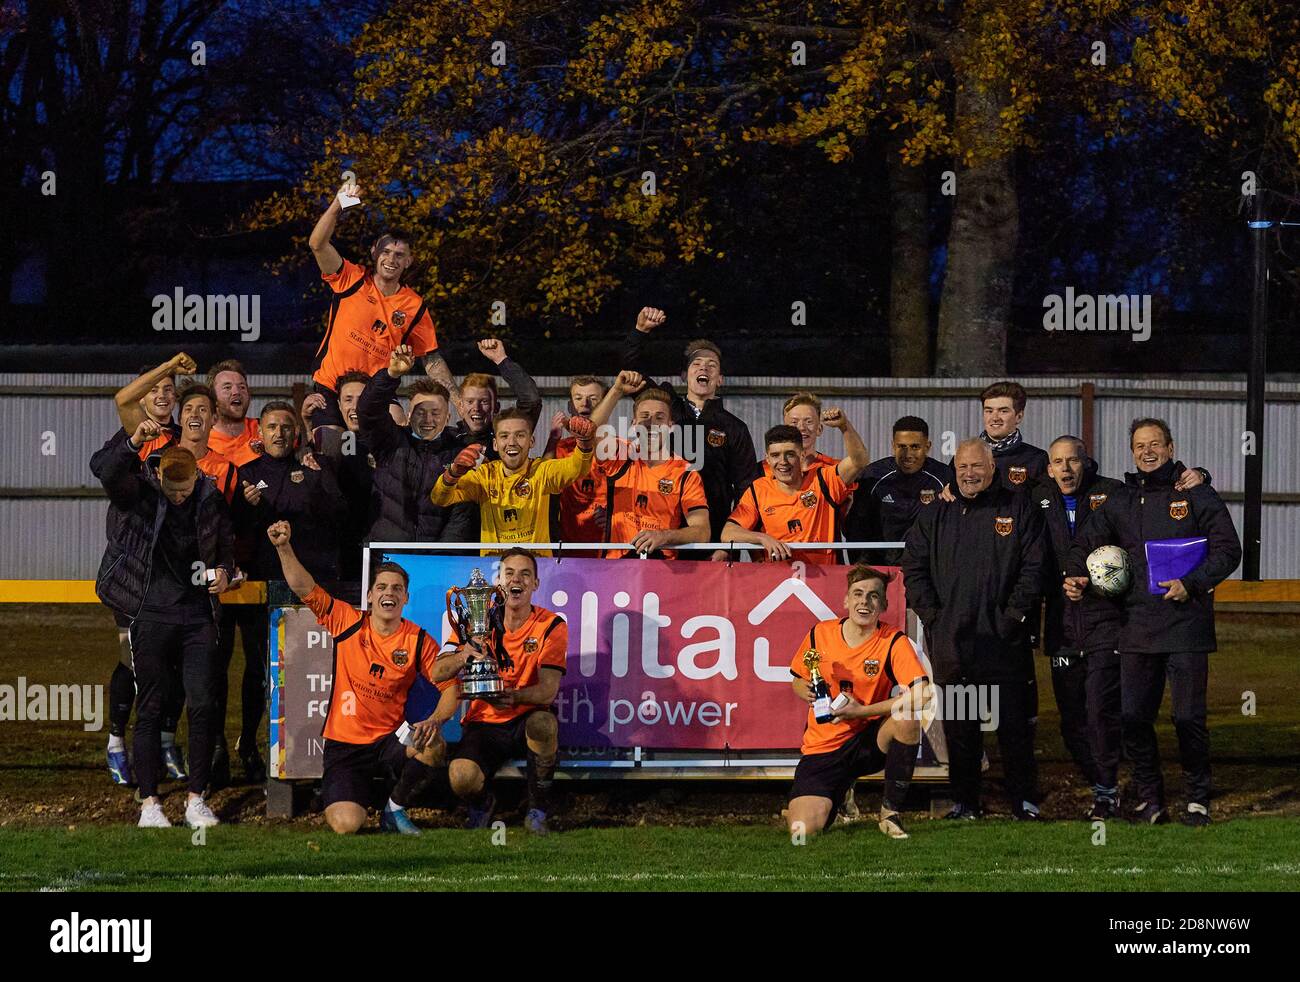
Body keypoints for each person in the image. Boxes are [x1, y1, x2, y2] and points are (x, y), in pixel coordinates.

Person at [1065, 418, 1242, 826]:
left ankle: (1197, 797)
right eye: (1140, 445)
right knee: (1132, 718)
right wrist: (1074, 575)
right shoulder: (1121, 500)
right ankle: (1151, 798)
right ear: (1132, 452)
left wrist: (1192, 584)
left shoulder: (1196, 493)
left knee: (1187, 718)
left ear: (1170, 447)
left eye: (1155, 444)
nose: (1148, 452)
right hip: (1136, 627)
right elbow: (1084, 543)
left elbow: (1228, 549)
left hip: (1186, 626)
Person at [268, 520, 463, 834]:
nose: (390, 593)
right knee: (346, 825)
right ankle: (357, 797)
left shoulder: (418, 640)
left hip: (391, 739)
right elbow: (304, 587)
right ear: (370, 596)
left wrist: (435, 721)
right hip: (345, 746)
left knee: (434, 745)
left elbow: (450, 688)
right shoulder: (347, 621)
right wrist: (283, 546)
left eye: (397, 588)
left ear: (406, 598)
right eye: (382, 587)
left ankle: (393, 808)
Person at [92, 423, 234, 829]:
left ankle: (196, 798)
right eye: (172, 489)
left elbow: (224, 549)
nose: (179, 495)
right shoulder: (140, 495)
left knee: (203, 703)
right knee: (150, 705)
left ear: (197, 476)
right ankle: (150, 802)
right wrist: (133, 438)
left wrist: (223, 573)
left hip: (197, 616)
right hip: (149, 613)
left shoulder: (210, 497)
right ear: (158, 475)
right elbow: (106, 471)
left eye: (185, 487)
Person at [901, 438, 1046, 820]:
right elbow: (913, 567)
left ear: (992, 468)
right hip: (955, 643)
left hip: (1003, 643)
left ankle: (1024, 801)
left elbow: (1034, 569)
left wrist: (1012, 617)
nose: (969, 474)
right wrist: (934, 617)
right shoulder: (937, 514)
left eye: (976, 467)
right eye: (962, 467)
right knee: (962, 729)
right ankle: (966, 802)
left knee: (1013, 727)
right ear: (955, 469)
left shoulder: (1017, 508)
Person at [98, 353, 195, 785]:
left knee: (174, 663)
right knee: (134, 661)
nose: (162, 393)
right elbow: (103, 468)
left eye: (169, 388)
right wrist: (167, 365)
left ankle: (165, 740)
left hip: (176, 571)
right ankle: (116, 741)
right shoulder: (129, 434)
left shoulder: (184, 440)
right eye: (154, 388)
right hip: (135, 572)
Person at [786, 565, 931, 838]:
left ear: (885, 604)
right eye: (858, 594)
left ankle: (890, 813)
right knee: (802, 831)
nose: (864, 602)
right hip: (824, 747)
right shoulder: (820, 634)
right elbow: (797, 678)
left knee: (907, 714)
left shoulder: (893, 641)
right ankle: (841, 794)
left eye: (874, 596)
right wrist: (803, 688)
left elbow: (923, 694)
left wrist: (861, 711)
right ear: (846, 600)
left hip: (868, 741)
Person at [307, 181, 461, 429]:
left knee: (398, 425)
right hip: (332, 387)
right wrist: (338, 204)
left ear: (408, 261)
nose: (391, 259)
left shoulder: (414, 305)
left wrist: (458, 400)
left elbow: (431, 359)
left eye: (399, 255)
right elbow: (317, 244)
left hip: (376, 392)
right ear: (374, 253)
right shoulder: (352, 279)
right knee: (330, 446)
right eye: (385, 252)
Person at [1034, 436, 1125, 819]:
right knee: (1072, 720)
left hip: (1107, 621)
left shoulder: (1114, 494)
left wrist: (1198, 476)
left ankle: (1106, 790)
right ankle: (1103, 781)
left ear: (1086, 463)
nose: (1066, 469)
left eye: (1073, 461)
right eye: (1058, 462)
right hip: (1061, 627)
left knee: (1101, 710)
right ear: (1049, 468)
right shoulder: (1035, 499)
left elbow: (1137, 540)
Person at [448, 549, 568, 834]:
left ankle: (538, 809)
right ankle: (483, 804)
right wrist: (463, 654)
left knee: (543, 722)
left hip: (526, 716)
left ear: (536, 584)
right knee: (460, 776)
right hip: (484, 723)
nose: (518, 580)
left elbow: (548, 692)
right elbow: (438, 671)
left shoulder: (551, 625)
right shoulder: (476, 623)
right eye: (510, 573)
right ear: (498, 582)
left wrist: (512, 696)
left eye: (526, 574)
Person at [621, 306, 762, 545]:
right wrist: (640, 331)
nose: (704, 368)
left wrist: (729, 545)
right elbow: (630, 375)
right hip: (660, 531)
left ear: (720, 379)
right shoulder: (665, 405)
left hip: (712, 537)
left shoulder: (735, 428)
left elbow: (747, 491)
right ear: (684, 375)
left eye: (711, 365)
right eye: (696, 364)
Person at [356, 344, 478, 547]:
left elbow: (460, 515)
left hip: (435, 564)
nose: (427, 419)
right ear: (409, 415)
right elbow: (368, 410)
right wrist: (391, 374)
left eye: (435, 412)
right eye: (420, 412)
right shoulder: (389, 442)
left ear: (447, 416)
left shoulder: (458, 454)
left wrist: (441, 558)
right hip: (386, 558)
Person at [429, 409, 596, 555]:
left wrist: (584, 443)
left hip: (537, 569)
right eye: (504, 436)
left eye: (520, 435)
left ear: (531, 441)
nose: (512, 442)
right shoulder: (484, 475)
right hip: (494, 570)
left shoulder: (541, 471)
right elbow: (439, 498)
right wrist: (453, 473)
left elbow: (577, 468)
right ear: (495, 444)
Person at [588, 377, 710, 558]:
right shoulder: (621, 456)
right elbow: (590, 433)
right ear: (633, 425)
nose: (651, 423)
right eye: (644, 416)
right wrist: (616, 390)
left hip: (661, 571)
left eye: (659, 418)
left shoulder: (686, 473)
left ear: (670, 427)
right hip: (616, 569)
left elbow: (702, 531)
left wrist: (664, 536)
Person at [719, 418, 868, 565]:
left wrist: (844, 426)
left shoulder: (823, 480)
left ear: (802, 455)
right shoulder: (758, 490)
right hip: (777, 582)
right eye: (775, 455)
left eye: (790, 454)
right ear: (768, 459)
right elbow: (728, 533)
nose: (783, 461)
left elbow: (859, 461)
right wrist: (763, 539)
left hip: (824, 579)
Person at [844, 415, 952, 562]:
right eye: (902, 447)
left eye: (915, 447)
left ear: (927, 447)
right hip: (881, 569)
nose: (908, 455)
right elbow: (855, 528)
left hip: (927, 569)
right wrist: (863, 568)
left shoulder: (944, 477)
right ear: (893, 446)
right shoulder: (872, 476)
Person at [544, 375, 611, 555]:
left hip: (608, 550)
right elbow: (543, 483)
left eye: (593, 398)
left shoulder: (618, 450)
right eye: (578, 398)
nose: (585, 404)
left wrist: (614, 514)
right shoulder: (561, 448)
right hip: (568, 550)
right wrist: (553, 438)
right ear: (570, 405)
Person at [450, 339, 543, 458]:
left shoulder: (507, 436)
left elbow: (531, 400)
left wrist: (501, 359)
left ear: (496, 407)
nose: (476, 408)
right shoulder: (447, 440)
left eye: (484, 401)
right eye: (470, 401)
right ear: (460, 407)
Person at [206, 360, 261, 467]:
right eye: (227, 387)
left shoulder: (265, 429)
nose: (236, 392)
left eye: (242, 387)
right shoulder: (203, 441)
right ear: (213, 398)